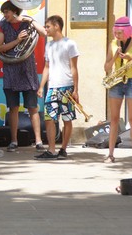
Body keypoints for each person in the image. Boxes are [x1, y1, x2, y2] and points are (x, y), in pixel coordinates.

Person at [0, 0, 47, 152]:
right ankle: (14, 141)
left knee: (33, 108)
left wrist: (29, 19)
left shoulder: (27, 22)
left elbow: (43, 33)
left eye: (7, 12)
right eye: (3, 12)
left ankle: (38, 141)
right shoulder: (2, 25)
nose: (5, 15)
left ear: (14, 11)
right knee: (13, 108)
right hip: (11, 72)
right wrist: (18, 40)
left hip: (27, 71)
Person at [103, 17, 132, 164]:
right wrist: (115, 56)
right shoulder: (113, 44)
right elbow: (106, 68)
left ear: (127, 31)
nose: (117, 35)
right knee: (114, 119)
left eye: (120, 33)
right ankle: (110, 154)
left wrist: (130, 58)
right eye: (116, 32)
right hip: (117, 82)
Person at [35, 15, 79, 160]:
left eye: (48, 26)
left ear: (56, 26)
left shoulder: (70, 44)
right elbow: (46, 67)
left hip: (66, 86)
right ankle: (51, 149)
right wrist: (42, 86)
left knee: (67, 119)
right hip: (52, 87)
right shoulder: (48, 45)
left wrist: (76, 89)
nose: (46, 29)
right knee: (49, 118)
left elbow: (74, 68)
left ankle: (64, 149)